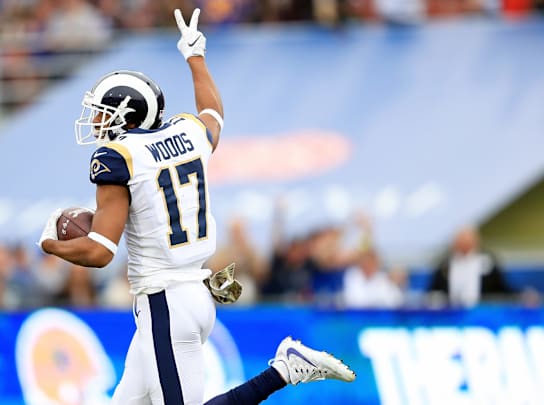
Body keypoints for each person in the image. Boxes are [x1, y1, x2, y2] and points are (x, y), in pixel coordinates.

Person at [37, 8, 354, 404]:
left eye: (103, 112)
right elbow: (213, 113)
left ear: (125, 116)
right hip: (197, 293)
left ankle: (284, 369)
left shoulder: (119, 157)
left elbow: (100, 250)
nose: (97, 121)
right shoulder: (187, 132)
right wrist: (195, 56)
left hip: (165, 301)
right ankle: (284, 370)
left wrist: (51, 245)